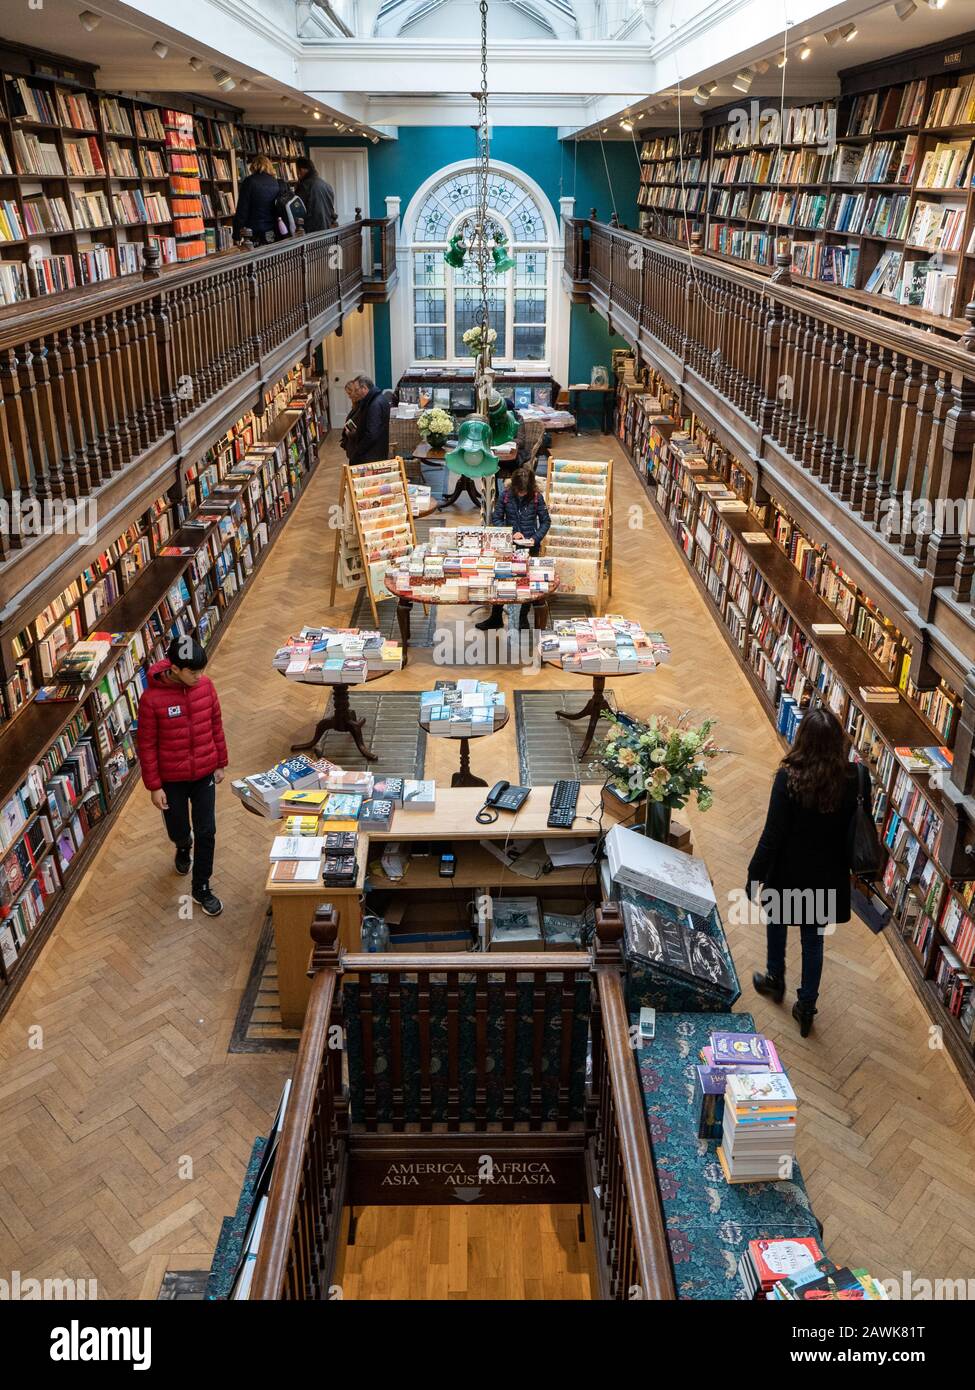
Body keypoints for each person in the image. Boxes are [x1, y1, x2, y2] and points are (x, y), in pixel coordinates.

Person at [746, 706, 866, 1037]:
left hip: (787, 874)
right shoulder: (854, 778)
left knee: (777, 923)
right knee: (813, 941)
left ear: (804, 740)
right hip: (827, 877)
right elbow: (857, 829)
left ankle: (775, 980)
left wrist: (754, 874)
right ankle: (807, 1007)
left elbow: (772, 835)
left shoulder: (789, 778)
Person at [136, 635, 228, 917]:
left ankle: (201, 886)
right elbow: (146, 745)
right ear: (174, 668)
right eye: (193, 672)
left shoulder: (206, 686)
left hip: (204, 773)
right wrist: (154, 786)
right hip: (171, 779)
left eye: (201, 670)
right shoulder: (151, 699)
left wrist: (220, 762)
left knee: (207, 831)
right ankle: (182, 844)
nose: (199, 676)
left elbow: (215, 723)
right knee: (178, 827)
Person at [476, 466, 551, 632]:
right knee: (500, 579)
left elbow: (546, 521)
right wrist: (510, 533)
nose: (522, 494)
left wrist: (535, 538)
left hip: (530, 548)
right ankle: (496, 617)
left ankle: (523, 618)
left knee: (526, 583)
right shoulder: (505, 496)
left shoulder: (537, 498)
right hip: (507, 547)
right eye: (519, 490)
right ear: (514, 487)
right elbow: (496, 518)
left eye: (525, 491)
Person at [232, 154, 284, 244]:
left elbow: (242, 209)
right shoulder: (276, 182)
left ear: (253, 166)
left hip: (253, 230)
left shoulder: (249, 181)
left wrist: (236, 234)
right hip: (272, 228)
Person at [340, 376, 391, 465]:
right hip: (375, 453)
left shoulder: (374, 404)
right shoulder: (378, 399)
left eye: (356, 390)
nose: (355, 393)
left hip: (370, 456)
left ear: (364, 388)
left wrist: (358, 451)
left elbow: (371, 434)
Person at [294, 156, 337, 232]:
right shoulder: (326, 185)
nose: (298, 174)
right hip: (328, 228)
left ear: (302, 170)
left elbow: (297, 209)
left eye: (298, 171)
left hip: (312, 231)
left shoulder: (304, 186)